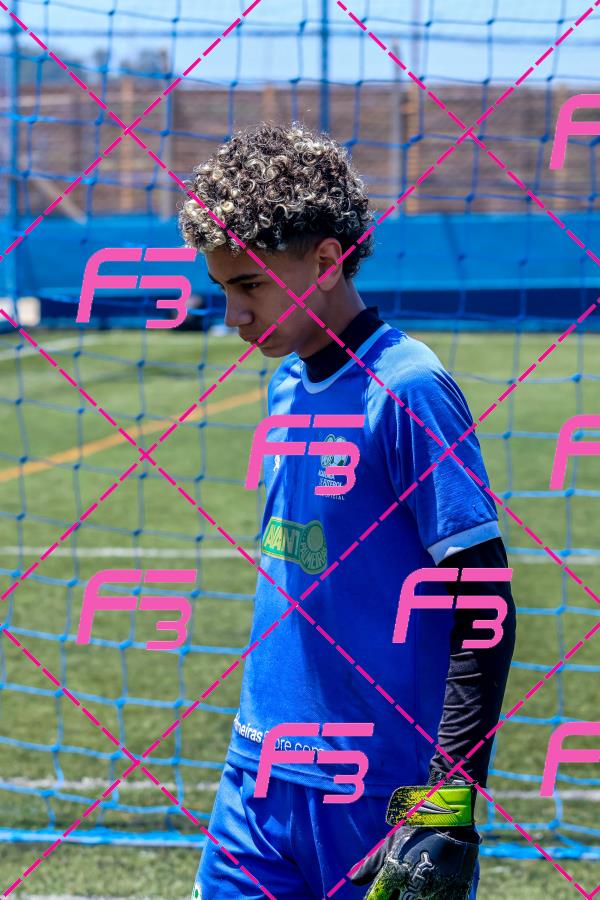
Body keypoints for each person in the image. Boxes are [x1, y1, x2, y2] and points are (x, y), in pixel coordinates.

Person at [179, 122, 516, 899]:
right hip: (257, 777)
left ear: (328, 260)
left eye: (249, 286)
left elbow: (485, 610)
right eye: (223, 289)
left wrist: (447, 804)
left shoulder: (409, 388)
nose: (233, 315)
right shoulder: (286, 384)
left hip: (375, 792)